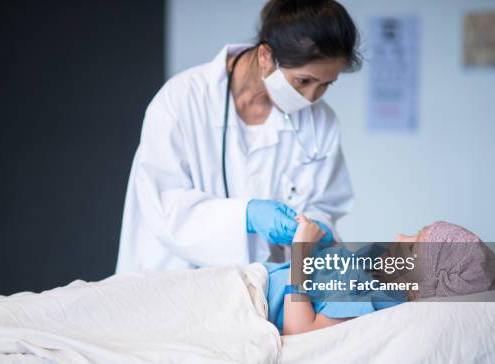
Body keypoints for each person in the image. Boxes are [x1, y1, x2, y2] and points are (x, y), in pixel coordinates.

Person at [116, 0, 361, 273]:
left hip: (261, 287)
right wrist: (247, 215)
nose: (311, 97)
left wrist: (317, 226)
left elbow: (325, 204)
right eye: (303, 81)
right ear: (266, 57)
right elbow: (162, 206)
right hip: (174, 276)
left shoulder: (321, 121)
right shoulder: (182, 100)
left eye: (326, 84)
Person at [266, 217, 495, 335]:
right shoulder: (372, 269)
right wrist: (322, 245)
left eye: (413, 246)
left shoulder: (380, 299)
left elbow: (299, 331)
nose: (399, 236)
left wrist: (302, 251)